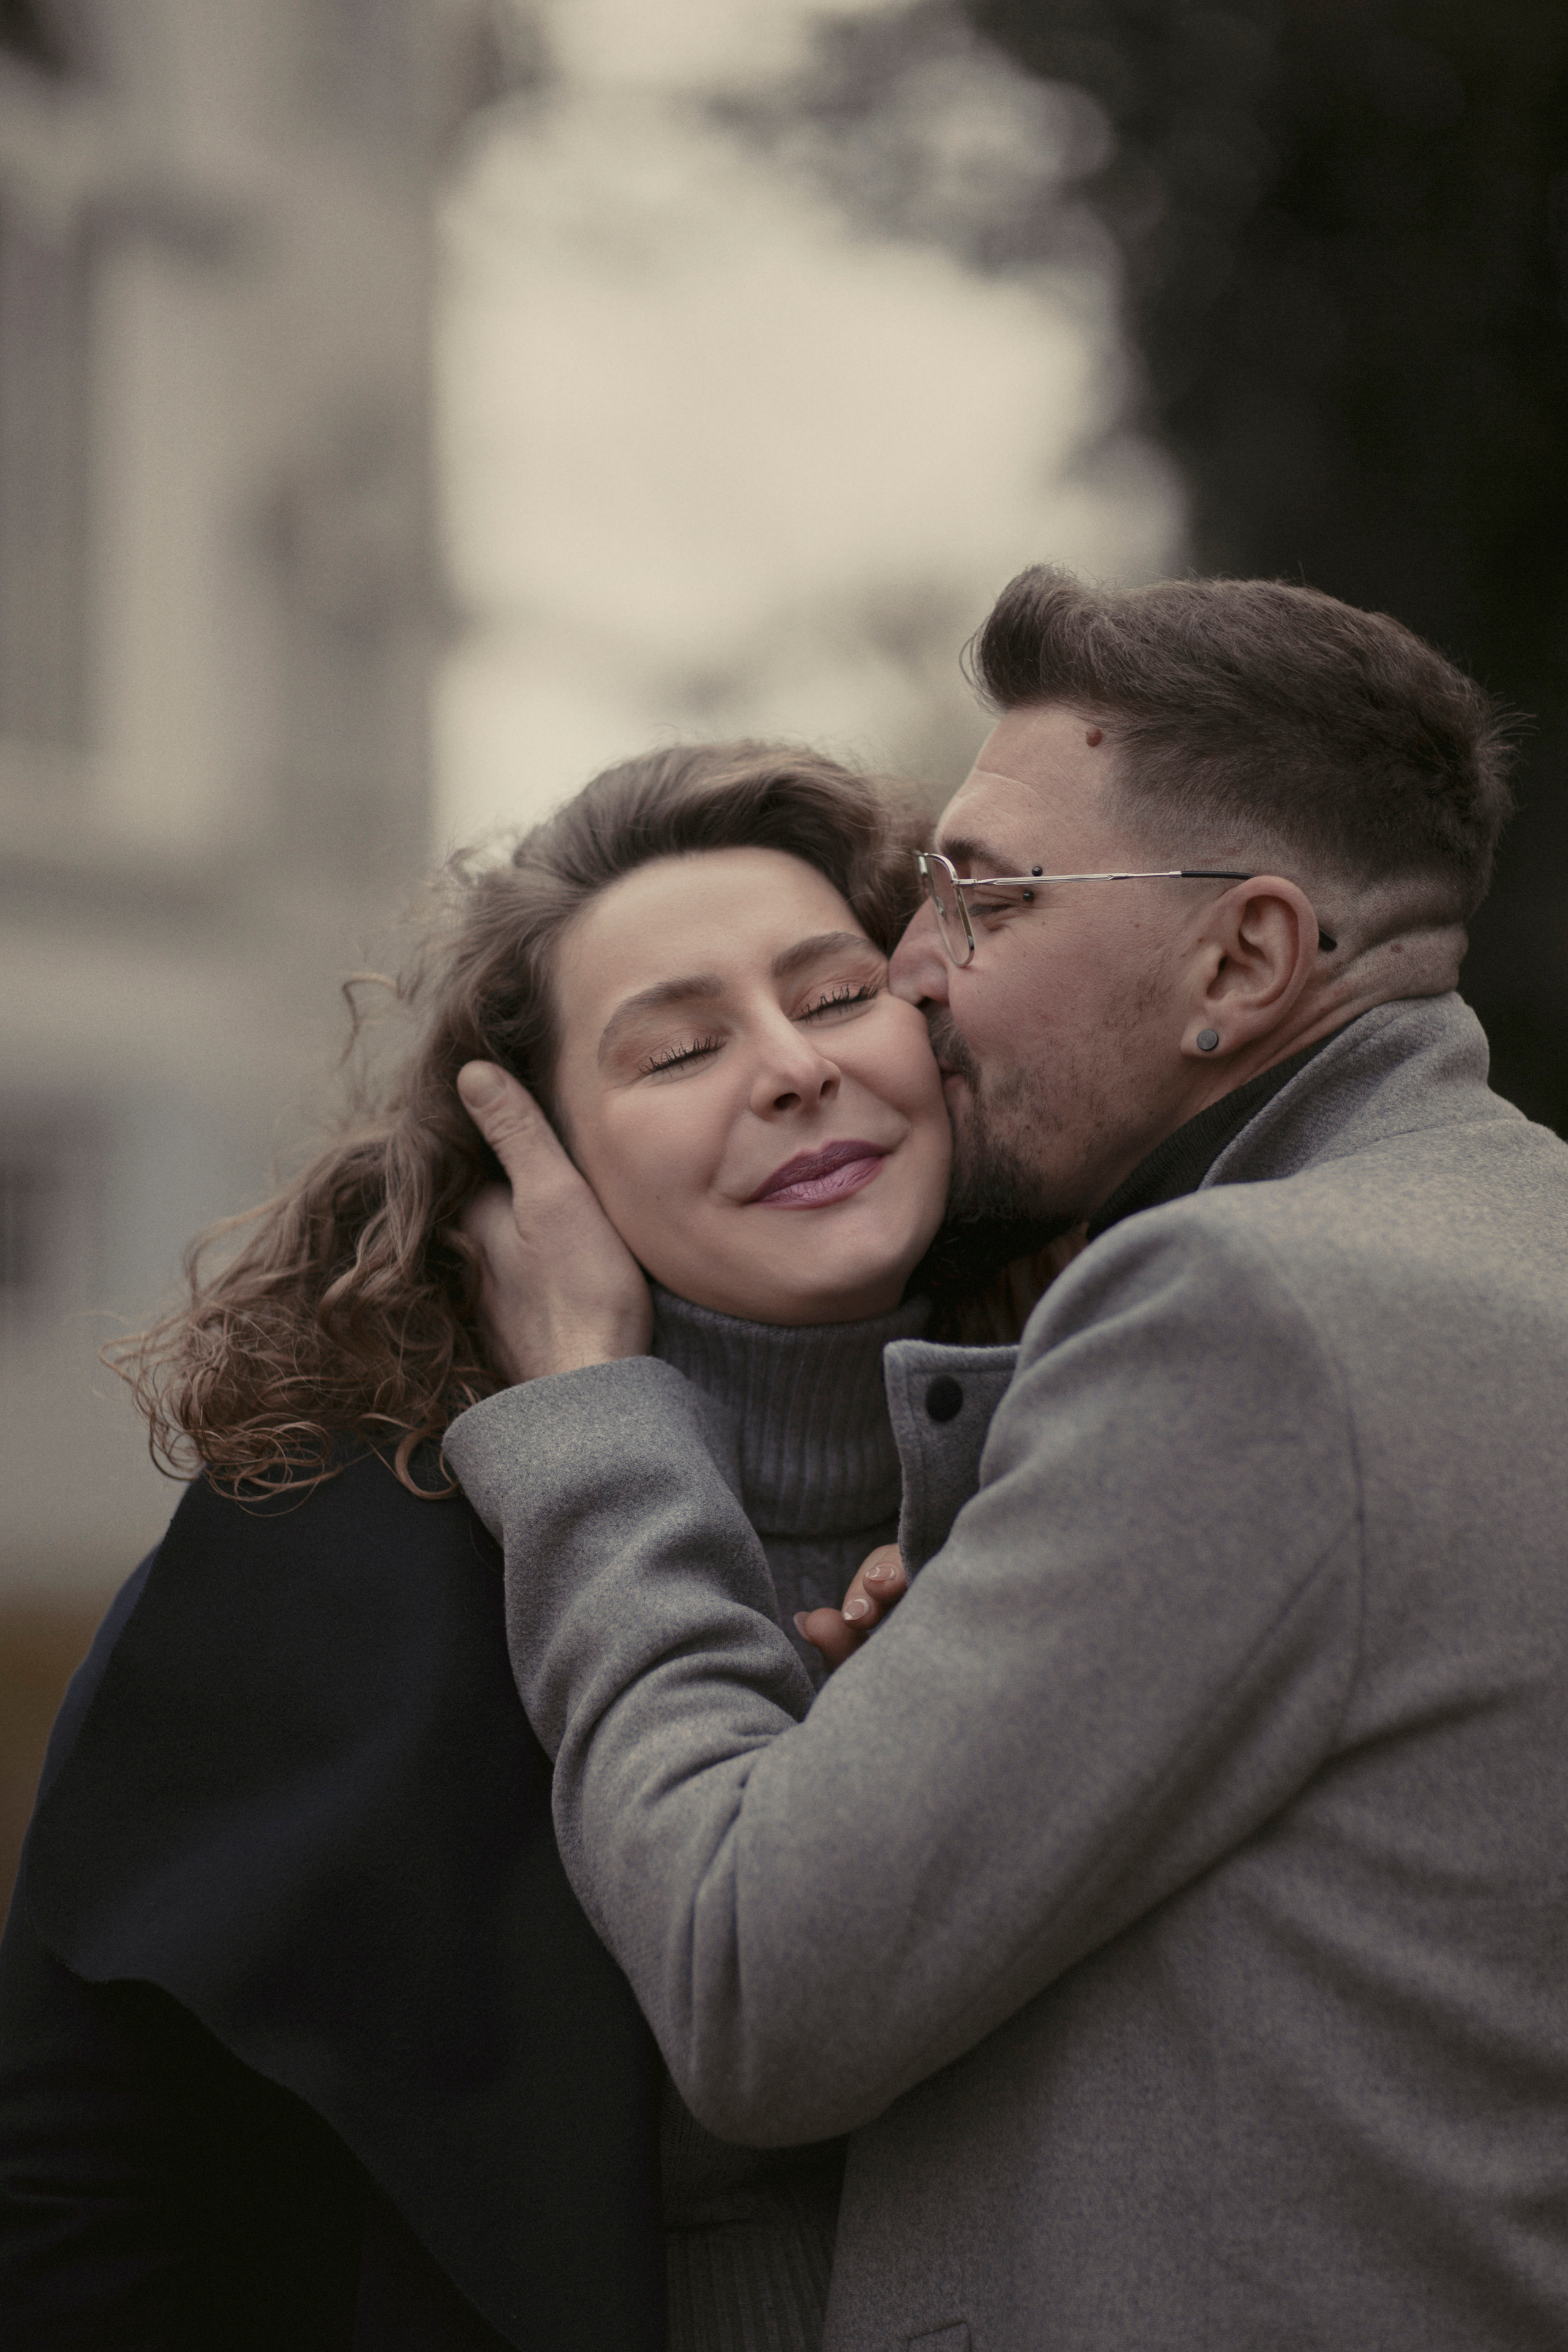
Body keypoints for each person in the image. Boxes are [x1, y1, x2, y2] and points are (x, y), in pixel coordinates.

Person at [445, 570, 1568, 2352]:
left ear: (1245, 960)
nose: (907, 973)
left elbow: (757, 1986)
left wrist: (592, 1420)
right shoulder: (1515, 1250)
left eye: (988, 895)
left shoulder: (1245, 1318)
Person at [0, 741, 1030, 2352]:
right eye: (679, 1047)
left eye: (836, 997)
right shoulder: (325, 1555)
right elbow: (92, 2183)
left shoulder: (1100, 1469)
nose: (788, 1067)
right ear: (537, 1167)